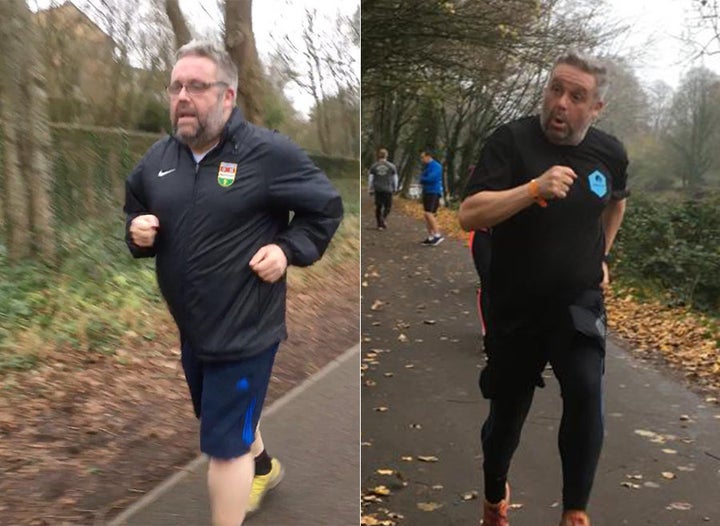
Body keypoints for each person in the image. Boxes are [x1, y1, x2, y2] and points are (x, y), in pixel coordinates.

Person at [123, 40, 343, 526]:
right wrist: (137, 231)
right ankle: (263, 463)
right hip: (194, 328)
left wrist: (287, 250)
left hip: (247, 328)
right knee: (221, 420)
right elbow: (135, 206)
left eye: (196, 86)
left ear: (227, 97)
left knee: (223, 447)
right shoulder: (159, 159)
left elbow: (325, 208)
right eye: (176, 86)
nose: (182, 95)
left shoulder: (269, 154)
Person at [458, 50, 628, 526]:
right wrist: (532, 189)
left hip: (577, 302)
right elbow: (470, 214)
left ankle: (575, 511)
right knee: (505, 422)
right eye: (555, 88)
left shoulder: (610, 152)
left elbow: (617, 204)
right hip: (515, 304)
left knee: (585, 387)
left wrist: (603, 256)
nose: (561, 103)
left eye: (577, 96)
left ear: (596, 108)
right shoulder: (511, 141)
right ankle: (494, 494)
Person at [418, 150, 445, 246]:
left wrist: (423, 178)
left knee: (429, 213)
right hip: (427, 191)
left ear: (428, 156)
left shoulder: (436, 166)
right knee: (427, 215)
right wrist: (423, 178)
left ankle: (437, 235)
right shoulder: (428, 167)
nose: (422, 159)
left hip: (433, 191)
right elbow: (423, 177)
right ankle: (431, 236)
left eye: (422, 157)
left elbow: (430, 178)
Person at [368, 147, 398, 229]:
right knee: (388, 206)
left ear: (378, 156)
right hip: (388, 189)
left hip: (378, 189)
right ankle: (383, 219)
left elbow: (370, 179)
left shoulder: (374, 166)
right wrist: (395, 188)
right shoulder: (392, 166)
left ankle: (379, 223)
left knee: (378, 206)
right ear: (386, 156)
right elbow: (395, 178)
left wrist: (370, 189)